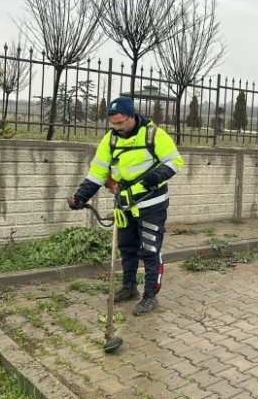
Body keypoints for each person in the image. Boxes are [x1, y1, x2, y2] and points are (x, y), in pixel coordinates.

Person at [68, 97, 184, 315]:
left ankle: (150, 295)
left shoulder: (153, 135)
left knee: (150, 250)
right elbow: (98, 172)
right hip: (125, 205)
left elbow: (175, 161)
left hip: (152, 203)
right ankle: (129, 287)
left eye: (121, 123)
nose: (117, 128)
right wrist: (80, 196)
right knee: (127, 248)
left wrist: (156, 177)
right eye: (113, 124)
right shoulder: (110, 140)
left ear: (132, 116)